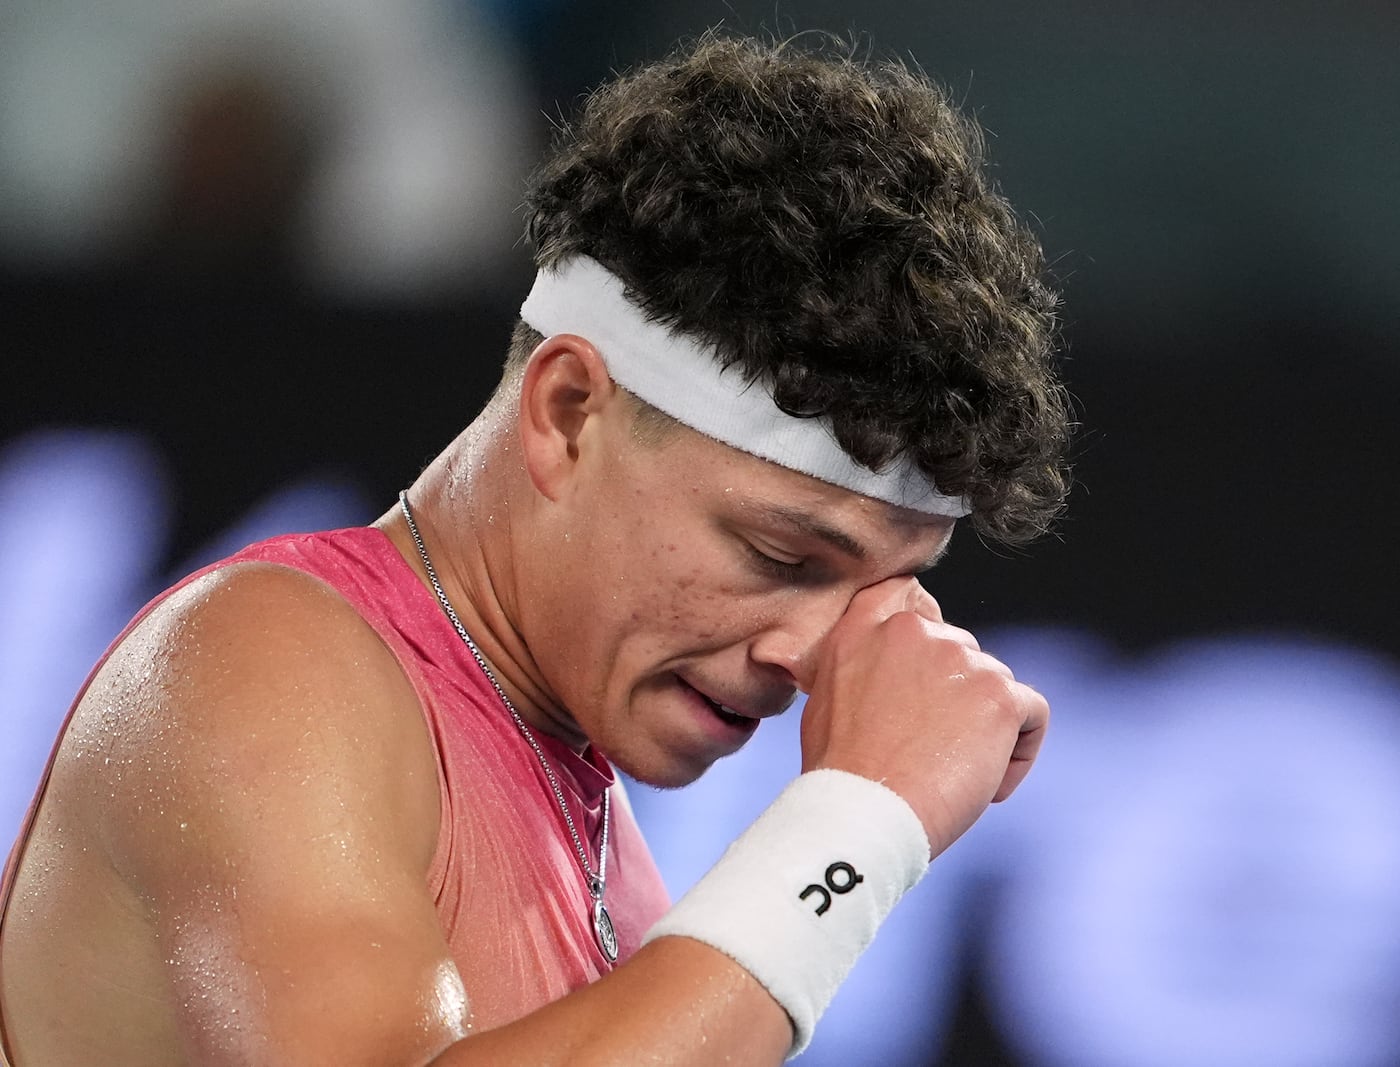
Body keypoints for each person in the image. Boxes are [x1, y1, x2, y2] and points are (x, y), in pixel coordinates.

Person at [0, 32, 1071, 1066]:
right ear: (566, 412)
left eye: (875, 590)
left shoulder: (606, 844)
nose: (807, 654)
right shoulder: (258, 664)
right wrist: (856, 822)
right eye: (780, 555)